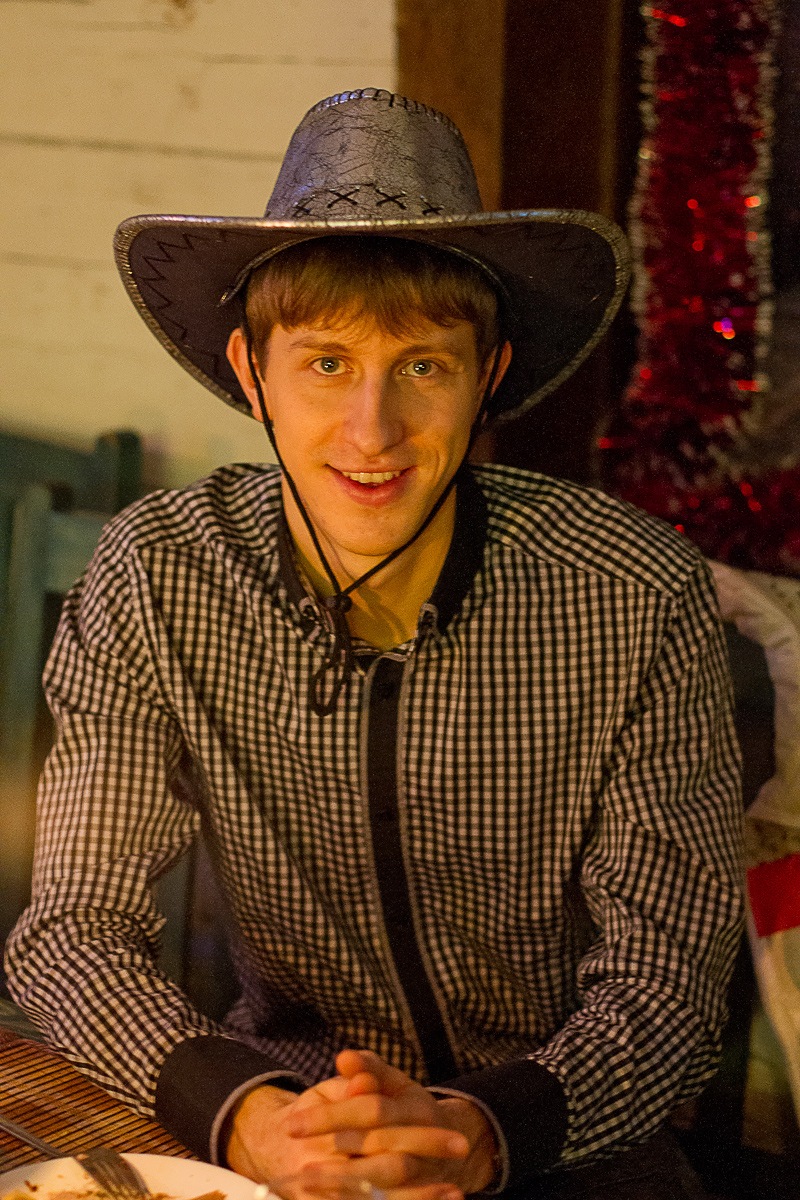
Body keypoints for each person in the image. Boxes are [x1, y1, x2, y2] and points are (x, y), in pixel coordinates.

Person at [6, 90, 743, 1199]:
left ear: (488, 376)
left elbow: (669, 982)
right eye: (325, 364)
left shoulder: (633, 593)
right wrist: (250, 1117)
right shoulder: (160, 572)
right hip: (276, 1119)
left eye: (423, 366)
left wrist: (475, 1131)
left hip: (561, 1136)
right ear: (251, 370)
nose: (372, 432)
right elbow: (71, 931)